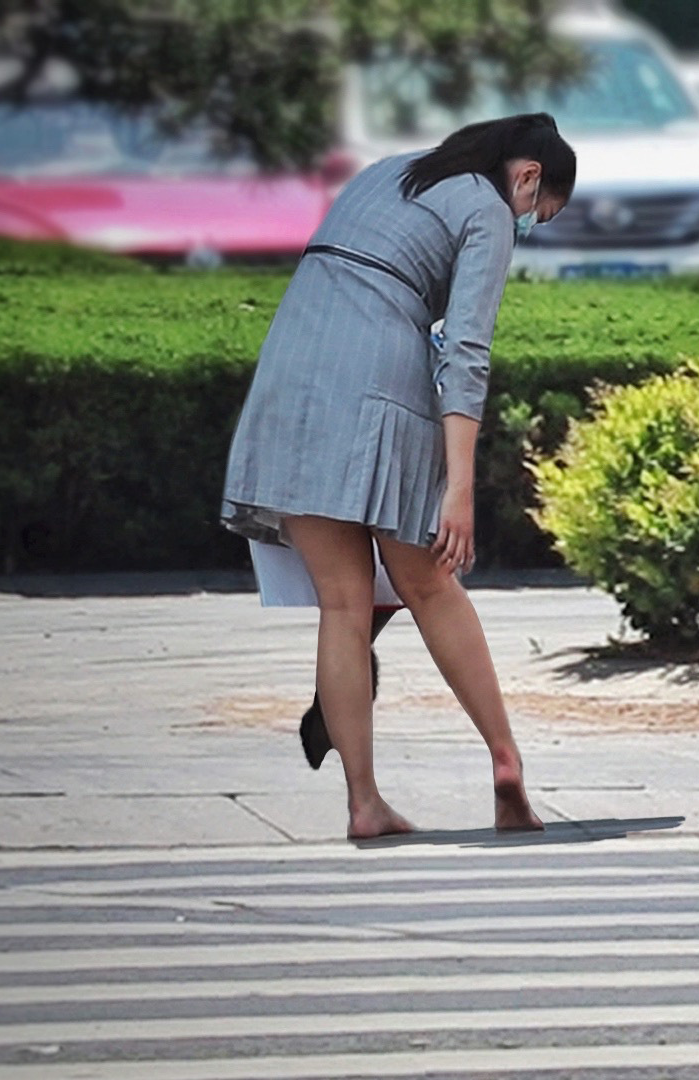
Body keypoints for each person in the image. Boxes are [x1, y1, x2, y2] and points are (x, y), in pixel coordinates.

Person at [220, 114, 575, 840]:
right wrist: (461, 488)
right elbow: (466, 351)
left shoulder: (385, 171)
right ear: (529, 175)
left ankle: (363, 803)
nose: (525, 225)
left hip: (290, 368)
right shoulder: (486, 206)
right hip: (381, 377)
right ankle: (505, 763)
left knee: (343, 607)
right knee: (429, 583)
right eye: (537, 217)